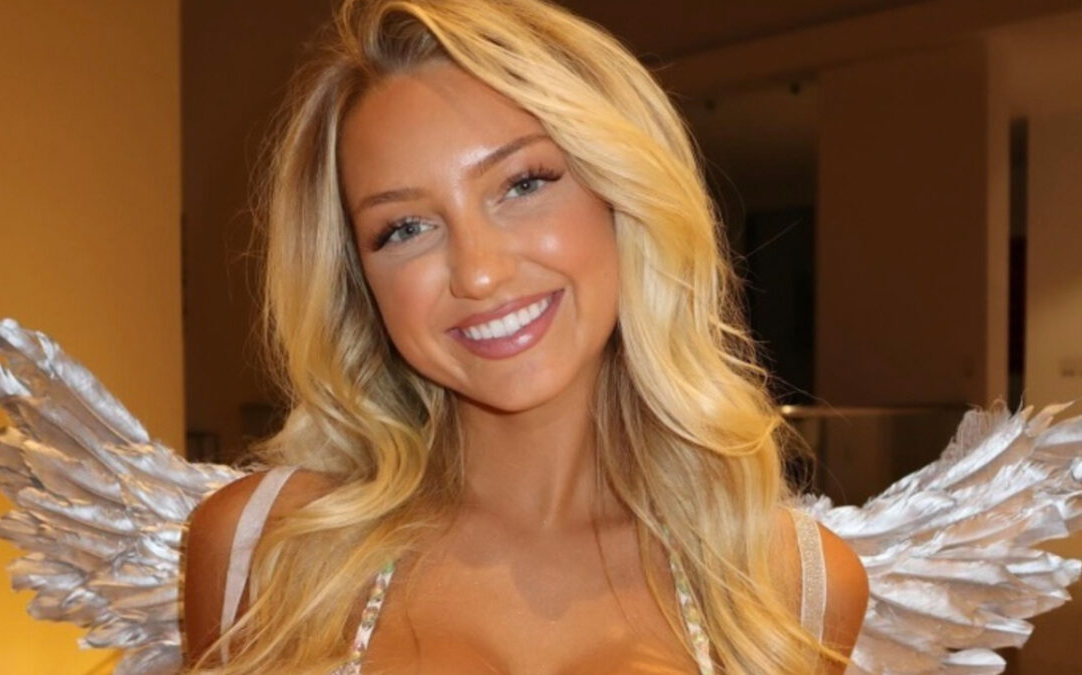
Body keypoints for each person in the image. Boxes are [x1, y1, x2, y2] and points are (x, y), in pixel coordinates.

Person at [182, 0, 870, 672]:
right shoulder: (265, 549)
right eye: (405, 228)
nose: (479, 273)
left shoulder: (789, 590)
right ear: (360, 282)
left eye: (523, 184)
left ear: (621, 192)